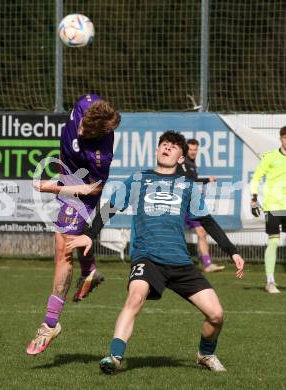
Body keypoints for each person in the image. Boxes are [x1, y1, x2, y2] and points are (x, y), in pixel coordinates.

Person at [67, 131, 244, 373]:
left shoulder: (188, 186)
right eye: (164, 144)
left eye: (173, 146)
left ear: (182, 158)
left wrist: (232, 251)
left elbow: (207, 221)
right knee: (135, 298)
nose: (167, 148)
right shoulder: (139, 179)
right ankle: (114, 357)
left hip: (180, 261)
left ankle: (205, 354)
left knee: (216, 315)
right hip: (147, 257)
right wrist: (89, 234)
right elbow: (110, 207)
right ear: (157, 150)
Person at [26, 93, 121, 355]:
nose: (79, 130)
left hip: (80, 189)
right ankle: (89, 271)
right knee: (73, 239)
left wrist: (50, 187)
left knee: (63, 249)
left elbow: (93, 189)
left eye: (85, 132)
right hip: (65, 174)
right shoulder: (87, 101)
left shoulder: (101, 155)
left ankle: (50, 323)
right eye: (80, 123)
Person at [177, 138, 225, 273]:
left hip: (191, 204)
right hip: (183, 205)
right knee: (175, 233)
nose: (193, 152)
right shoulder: (184, 163)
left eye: (195, 149)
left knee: (201, 233)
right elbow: (189, 181)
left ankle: (207, 264)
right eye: (190, 149)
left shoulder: (192, 163)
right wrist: (206, 180)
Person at [250, 126, 286, 294]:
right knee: (273, 240)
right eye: (285, 137)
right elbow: (257, 176)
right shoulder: (270, 157)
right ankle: (270, 281)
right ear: (281, 139)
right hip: (273, 206)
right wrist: (254, 197)